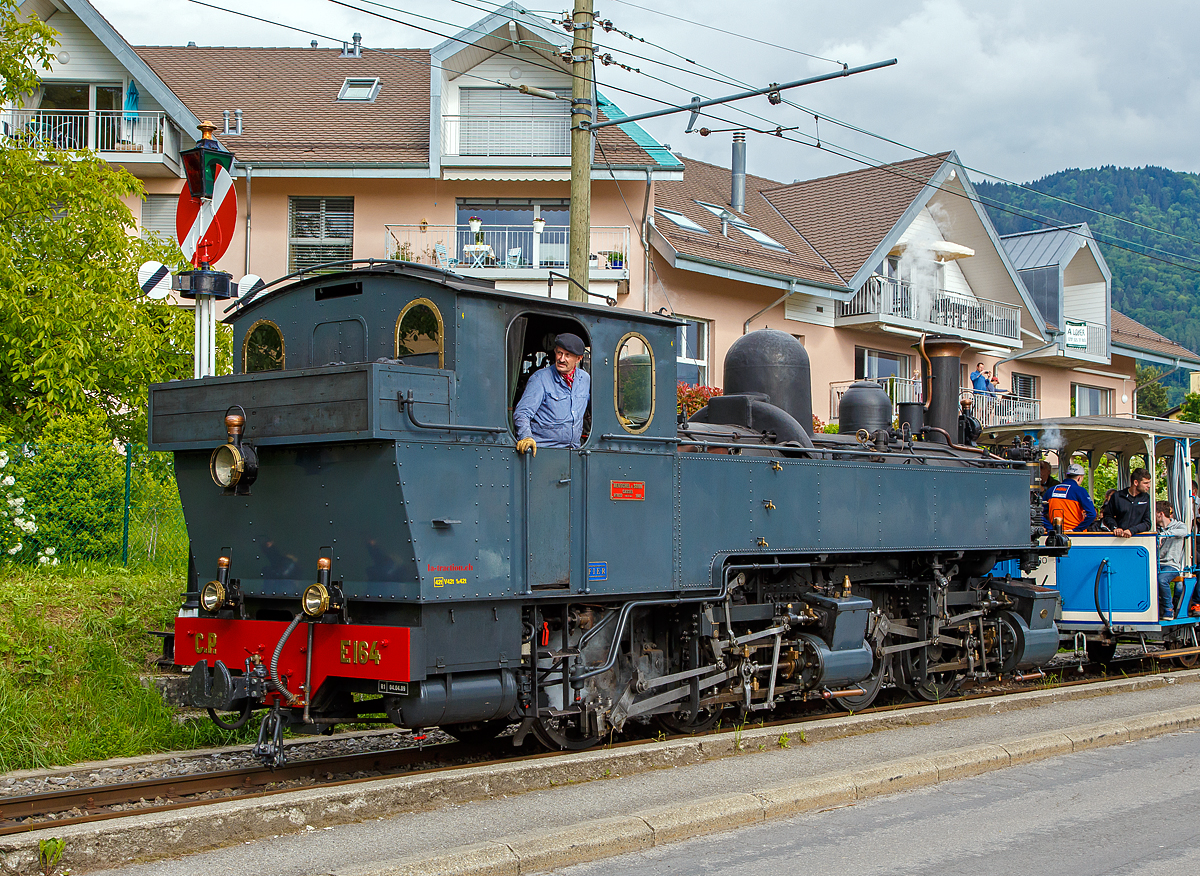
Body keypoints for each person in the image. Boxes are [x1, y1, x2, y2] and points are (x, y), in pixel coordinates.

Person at [513, 333, 591, 454]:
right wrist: (526, 436)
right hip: (545, 452)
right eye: (559, 353)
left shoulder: (585, 379)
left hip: (574, 452)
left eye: (567, 355)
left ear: (579, 358)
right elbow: (522, 413)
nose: (561, 359)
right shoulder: (540, 378)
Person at [1155, 501, 1188, 621]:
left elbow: (1184, 532)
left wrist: (1165, 534)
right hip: (1156, 564)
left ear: (1160, 514)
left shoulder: (1179, 525)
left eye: (1154, 513)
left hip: (1171, 565)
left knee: (1162, 579)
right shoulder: (1155, 528)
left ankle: (1169, 609)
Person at [1044, 462, 1097, 533]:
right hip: (1075, 535)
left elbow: (1039, 514)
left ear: (1066, 476)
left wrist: (1050, 528)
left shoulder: (1051, 490)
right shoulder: (1080, 491)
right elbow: (1092, 514)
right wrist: (1077, 530)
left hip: (1055, 534)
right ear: (1079, 478)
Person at [1102, 467, 1153, 538]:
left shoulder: (1146, 498)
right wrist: (1115, 528)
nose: (1149, 486)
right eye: (1145, 483)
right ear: (1136, 482)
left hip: (1138, 539)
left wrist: (1132, 530)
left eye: (1149, 483)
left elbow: (1147, 523)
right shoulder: (1117, 496)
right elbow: (1108, 516)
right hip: (1117, 539)